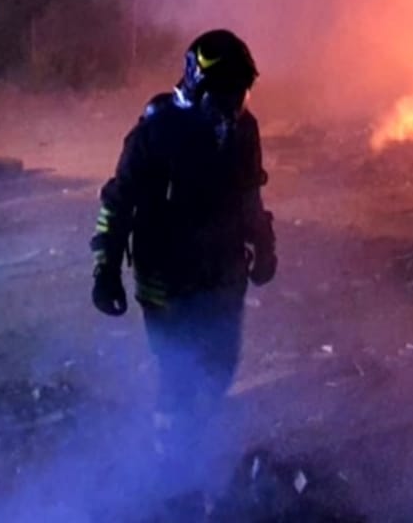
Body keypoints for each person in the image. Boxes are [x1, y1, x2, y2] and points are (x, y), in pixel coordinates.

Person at [88, 28, 276, 517]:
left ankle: (193, 444)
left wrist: (265, 245)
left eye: (241, 91)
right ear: (196, 85)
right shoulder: (157, 131)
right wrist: (105, 268)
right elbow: (119, 201)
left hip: (224, 274)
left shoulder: (244, 130)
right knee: (178, 374)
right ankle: (173, 479)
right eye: (225, 92)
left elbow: (250, 196)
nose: (234, 102)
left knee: (219, 367)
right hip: (166, 279)